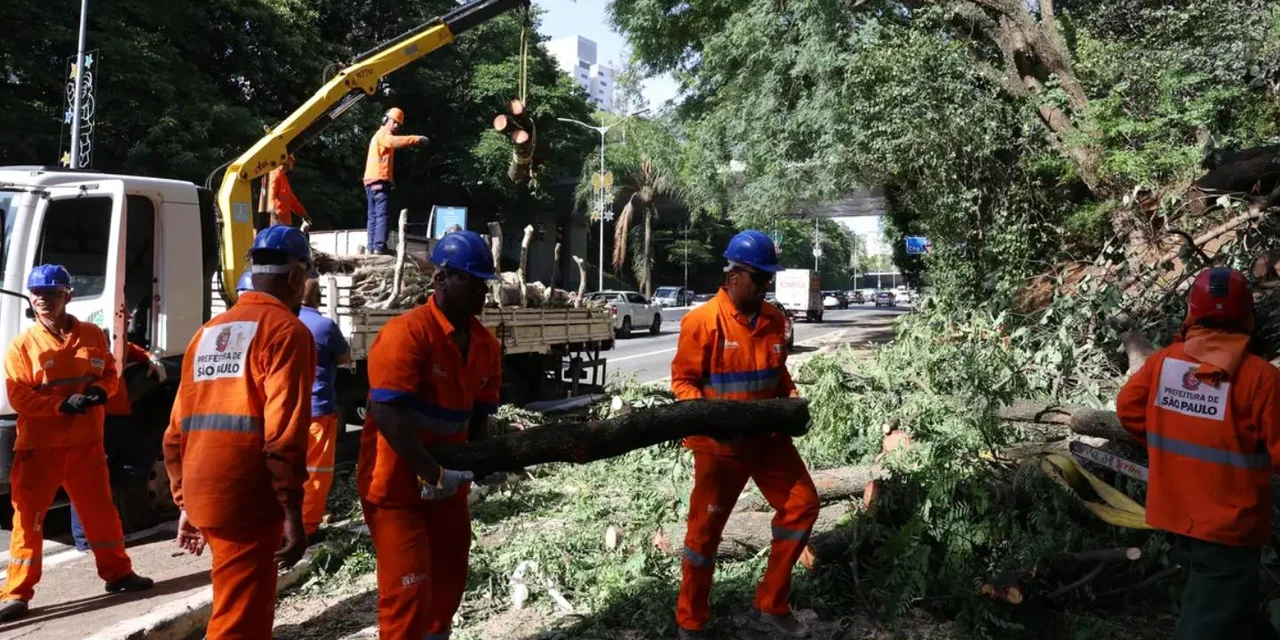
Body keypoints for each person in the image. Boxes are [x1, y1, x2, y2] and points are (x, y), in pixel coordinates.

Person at [163, 225, 316, 638]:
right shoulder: (286, 332)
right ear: (296, 277)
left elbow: (176, 432)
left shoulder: (207, 333)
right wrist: (292, 513)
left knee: (240, 605)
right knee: (239, 623)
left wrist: (186, 501)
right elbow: (283, 436)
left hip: (205, 493)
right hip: (247, 498)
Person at [669, 230, 820, 639]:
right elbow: (684, 384)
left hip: (767, 441)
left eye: (768, 278)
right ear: (734, 275)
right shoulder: (702, 322)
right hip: (719, 449)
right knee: (703, 538)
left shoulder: (773, 320)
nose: (765, 286)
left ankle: (771, 605)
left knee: (803, 505)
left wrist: (791, 400)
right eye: (759, 278)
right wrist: (712, 421)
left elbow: (778, 373)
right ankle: (691, 622)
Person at [1117, 267, 1280, 639]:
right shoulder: (1261, 379)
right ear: (1248, 316)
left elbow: (1128, 409)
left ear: (1191, 315)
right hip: (1230, 522)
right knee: (1206, 622)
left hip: (1178, 508)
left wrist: (1170, 448)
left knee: (1235, 609)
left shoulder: (1163, 363)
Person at [359, 230, 500, 640]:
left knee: (449, 579)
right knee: (408, 590)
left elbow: (480, 415)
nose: (481, 294)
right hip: (397, 486)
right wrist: (431, 472)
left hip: (447, 484)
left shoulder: (485, 345)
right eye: (472, 283)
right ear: (440, 280)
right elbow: (388, 412)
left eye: (483, 285)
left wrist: (482, 463)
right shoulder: (408, 333)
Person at [0, 265, 154, 621]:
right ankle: (17, 593)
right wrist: (59, 405)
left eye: (51, 293)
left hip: (86, 444)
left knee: (101, 513)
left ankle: (118, 574)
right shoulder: (22, 345)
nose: (43, 299)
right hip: (40, 448)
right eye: (37, 293)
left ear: (66, 296)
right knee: (29, 520)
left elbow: (110, 374)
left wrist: (102, 392)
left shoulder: (91, 335)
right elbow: (18, 396)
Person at [69, 335, 167, 551]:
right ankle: (86, 542)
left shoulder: (108, 344)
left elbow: (128, 348)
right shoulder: (81, 346)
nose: (127, 317)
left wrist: (148, 356)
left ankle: (103, 533)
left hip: (119, 416)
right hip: (98, 418)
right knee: (89, 482)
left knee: (125, 472)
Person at [299, 277, 352, 540]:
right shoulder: (324, 326)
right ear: (318, 297)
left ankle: (285, 525)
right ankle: (308, 527)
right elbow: (345, 357)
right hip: (318, 409)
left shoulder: (283, 320)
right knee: (317, 472)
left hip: (286, 411)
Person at [363, 107, 427, 256]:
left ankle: (371, 247)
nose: (397, 126)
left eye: (399, 124)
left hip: (370, 181)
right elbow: (392, 142)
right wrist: (416, 139)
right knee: (382, 215)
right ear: (386, 120)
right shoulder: (384, 135)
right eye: (395, 122)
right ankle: (379, 247)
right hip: (379, 180)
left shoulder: (377, 135)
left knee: (373, 216)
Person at [269, 154, 310, 228]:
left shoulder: (284, 178)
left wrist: (304, 215)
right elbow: (271, 196)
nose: (293, 163)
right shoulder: (275, 174)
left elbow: (292, 201)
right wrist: (273, 215)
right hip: (277, 223)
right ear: (286, 160)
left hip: (285, 223)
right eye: (292, 161)